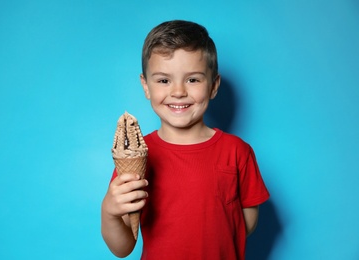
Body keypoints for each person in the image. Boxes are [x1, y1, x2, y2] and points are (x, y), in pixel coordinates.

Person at [101, 20, 270, 259]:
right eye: (163, 80)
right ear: (146, 86)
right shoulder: (138, 154)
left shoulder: (237, 151)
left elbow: (247, 223)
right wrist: (108, 212)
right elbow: (123, 247)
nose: (178, 91)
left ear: (213, 86)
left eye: (193, 79)